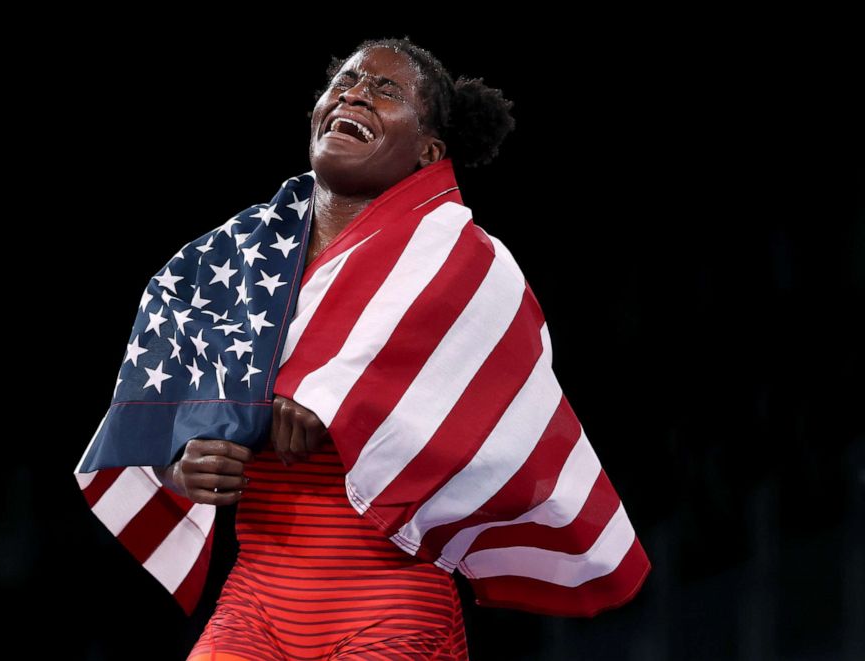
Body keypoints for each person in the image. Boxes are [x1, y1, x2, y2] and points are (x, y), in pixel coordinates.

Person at [79, 35, 649, 661]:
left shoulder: (470, 264)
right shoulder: (231, 260)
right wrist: (179, 464)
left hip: (390, 603)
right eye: (345, 82)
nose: (355, 93)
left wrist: (332, 396)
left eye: (386, 90)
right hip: (256, 601)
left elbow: (481, 424)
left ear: (429, 150)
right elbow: (161, 417)